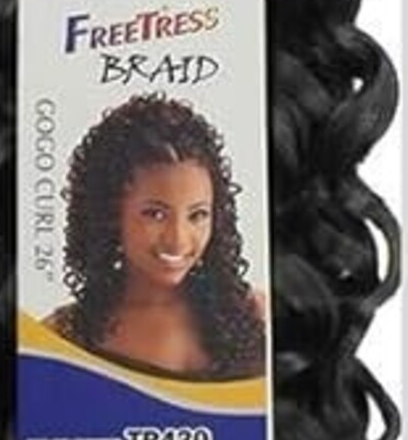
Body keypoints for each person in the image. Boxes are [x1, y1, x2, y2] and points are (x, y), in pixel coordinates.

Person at [45, 96, 266, 380]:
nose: (178, 240)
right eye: (155, 214)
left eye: (197, 215)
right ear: (109, 213)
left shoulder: (256, 315)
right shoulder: (60, 337)